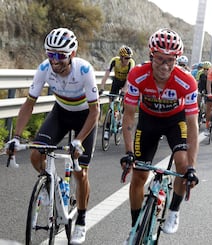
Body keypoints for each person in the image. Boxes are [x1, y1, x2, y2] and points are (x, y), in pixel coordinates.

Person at [5, 28, 100, 244]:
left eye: (60, 56)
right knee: (36, 155)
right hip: (61, 113)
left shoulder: (84, 70)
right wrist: (17, 136)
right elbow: (29, 103)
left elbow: (96, 112)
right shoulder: (44, 68)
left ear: (72, 55)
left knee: (80, 172)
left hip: (85, 117)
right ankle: (52, 183)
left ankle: (82, 220)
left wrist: (78, 140)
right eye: (50, 54)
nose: (54, 61)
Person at [120, 28, 199, 242]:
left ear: (176, 60)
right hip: (149, 121)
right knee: (139, 175)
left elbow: (192, 125)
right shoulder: (137, 74)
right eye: (159, 60)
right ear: (150, 56)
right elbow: (128, 116)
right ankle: (136, 225)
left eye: (170, 61)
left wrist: (192, 166)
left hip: (176, 121)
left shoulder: (187, 81)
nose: (164, 66)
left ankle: (174, 209)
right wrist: (128, 153)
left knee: (182, 165)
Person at [99, 45, 135, 139]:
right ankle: (107, 129)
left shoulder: (131, 63)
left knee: (125, 101)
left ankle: (121, 118)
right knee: (111, 106)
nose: (127, 60)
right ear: (121, 57)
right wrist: (102, 87)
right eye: (126, 58)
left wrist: (124, 90)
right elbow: (106, 74)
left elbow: (129, 79)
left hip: (126, 82)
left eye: (129, 58)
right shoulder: (115, 61)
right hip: (116, 81)